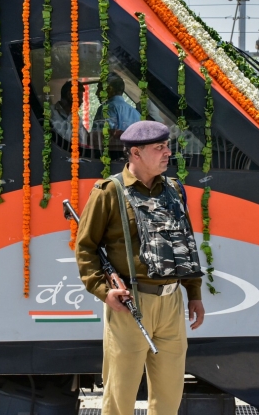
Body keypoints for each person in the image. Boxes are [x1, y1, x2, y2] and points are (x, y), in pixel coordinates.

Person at [75, 121, 205, 415]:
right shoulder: (109, 192)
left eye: (167, 146)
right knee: (119, 397)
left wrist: (194, 293)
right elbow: (86, 247)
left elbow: (184, 243)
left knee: (169, 397)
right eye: (159, 147)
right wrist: (103, 291)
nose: (167, 152)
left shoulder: (173, 189)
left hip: (171, 303)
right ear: (136, 152)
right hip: (129, 304)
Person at [50, 80, 88, 145]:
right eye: (79, 97)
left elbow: (83, 142)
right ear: (70, 95)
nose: (81, 101)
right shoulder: (49, 113)